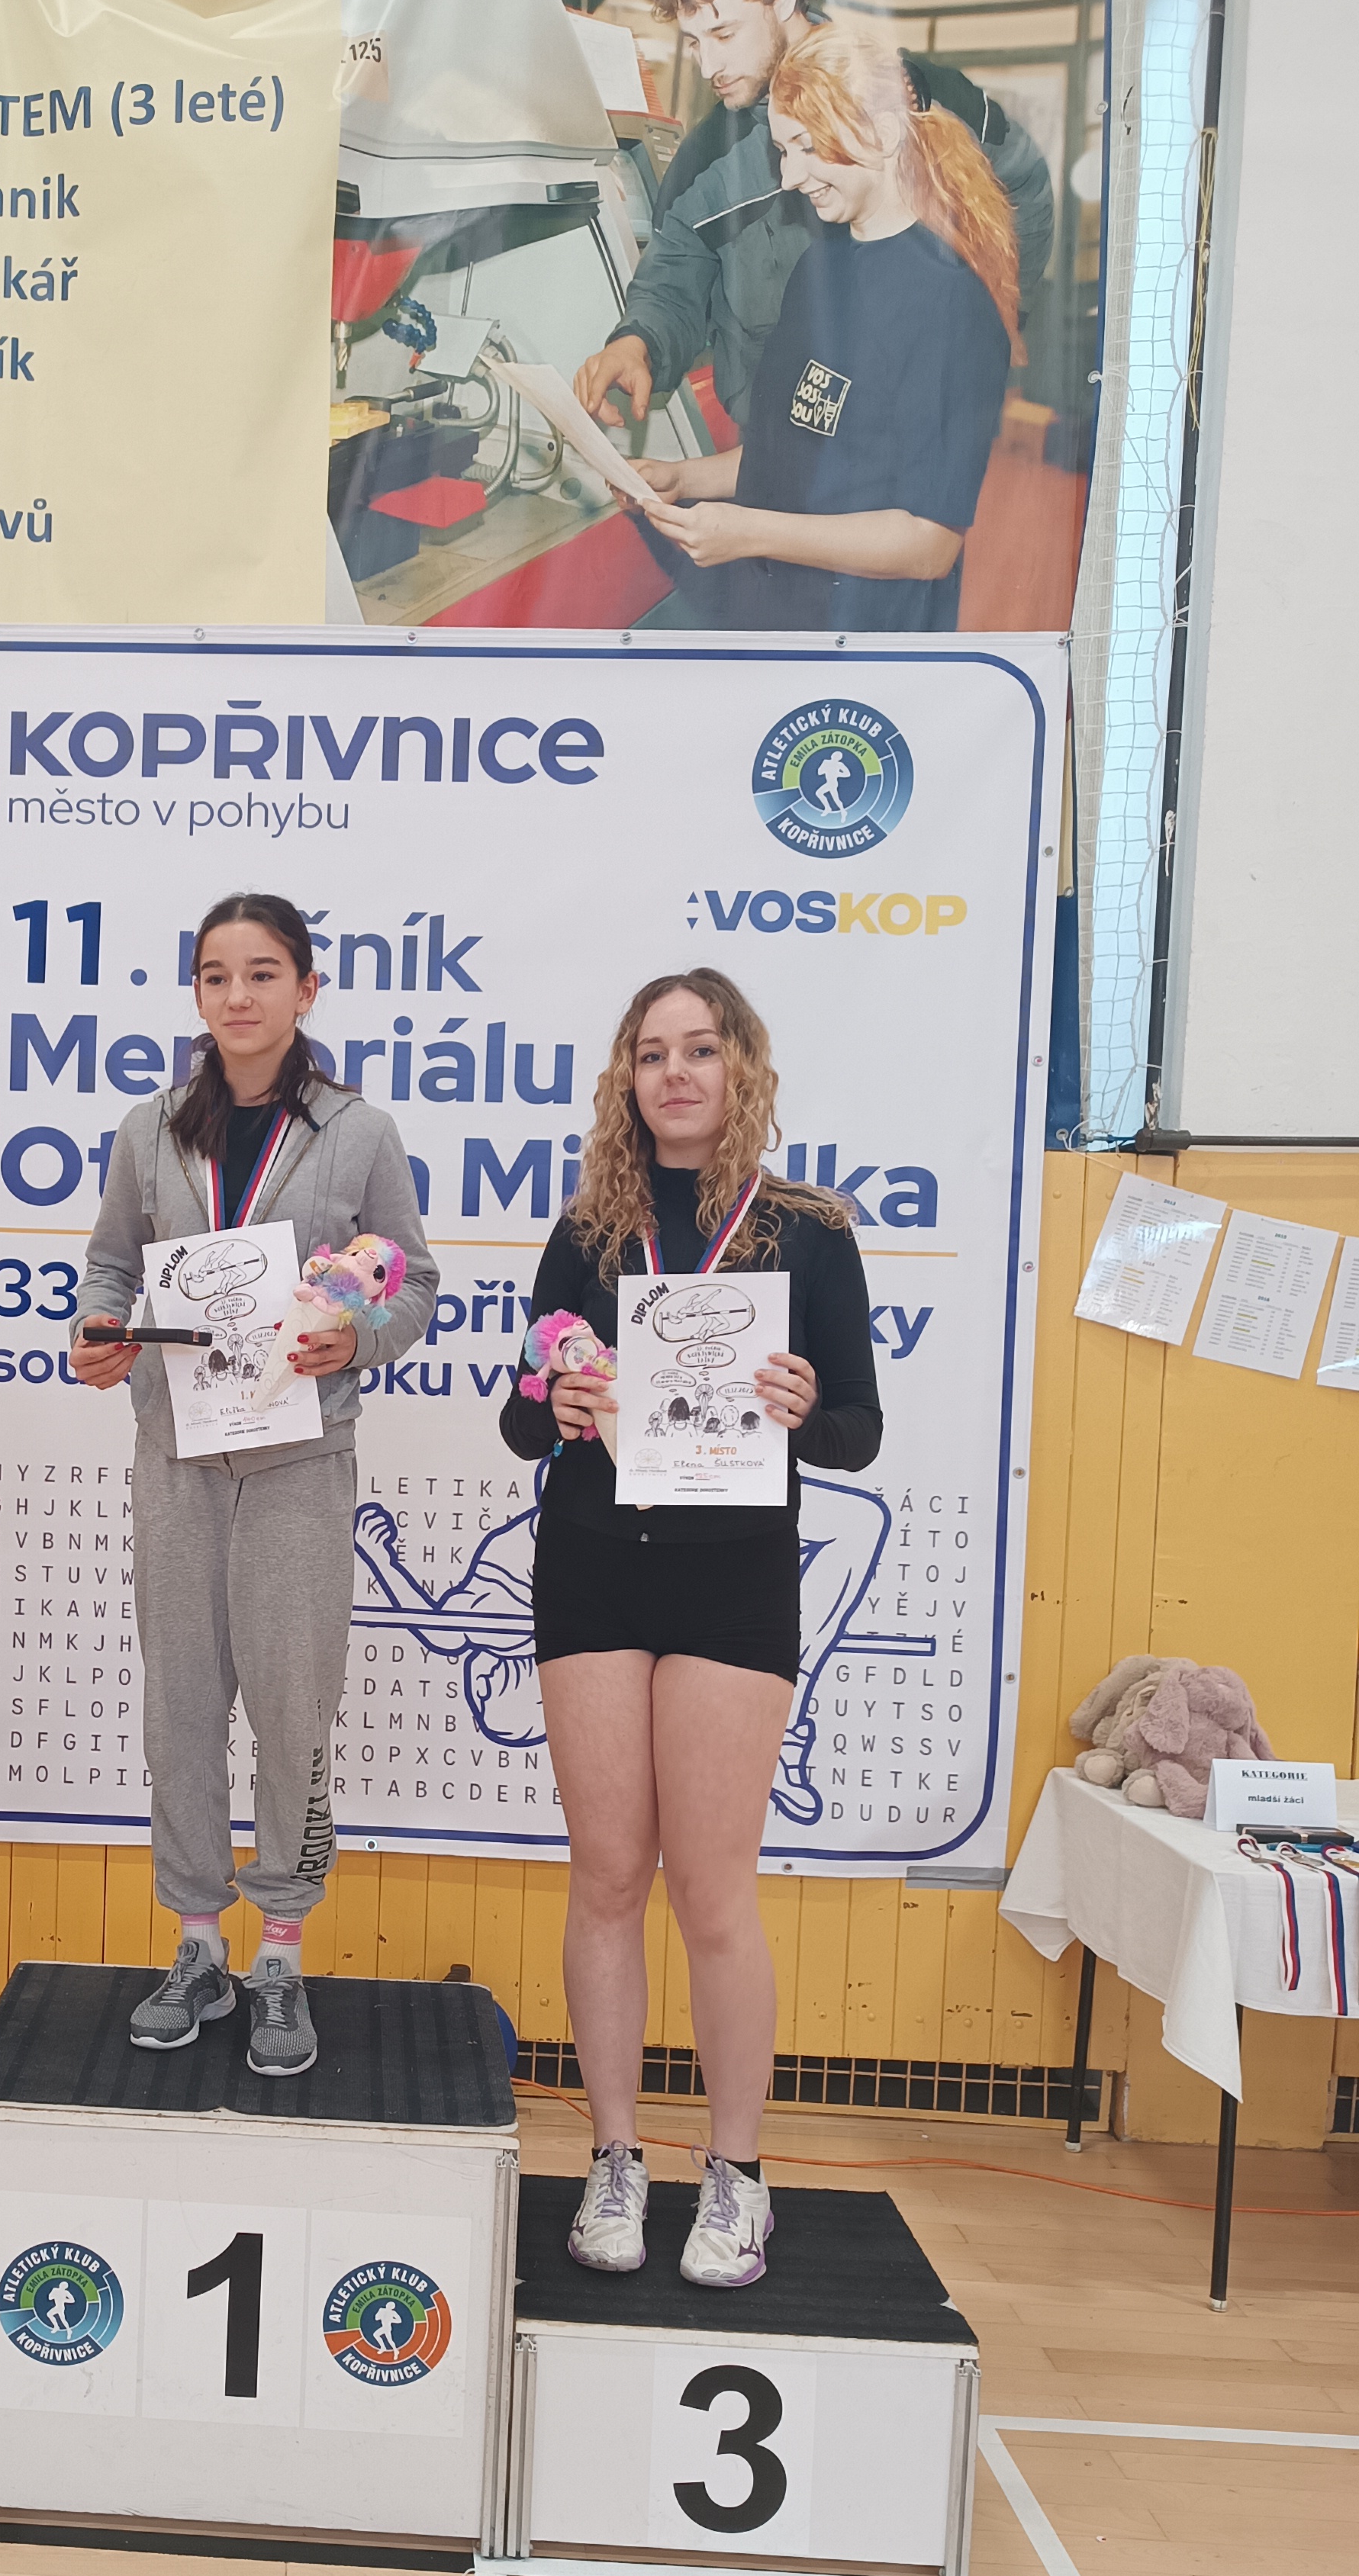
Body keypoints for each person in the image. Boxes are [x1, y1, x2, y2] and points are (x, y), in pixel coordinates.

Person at [499, 970, 880, 2285]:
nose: (675, 1073)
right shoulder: (587, 1234)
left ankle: (736, 2172)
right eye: (652, 1053)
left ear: (741, 1068)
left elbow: (856, 1432)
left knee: (713, 1891)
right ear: (627, 1078)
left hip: (731, 1582)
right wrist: (556, 1404)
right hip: (593, 1571)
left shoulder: (809, 1233)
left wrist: (803, 1404)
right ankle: (615, 2158)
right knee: (608, 1878)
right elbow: (520, 1420)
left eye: (700, 1050)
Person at [74, 892, 437, 2077]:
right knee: (180, 1707)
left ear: (306, 989)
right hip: (177, 1459)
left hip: (297, 1467)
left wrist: (358, 1337)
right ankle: (197, 1945)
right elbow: (112, 1268)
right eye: (217, 975)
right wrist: (99, 1331)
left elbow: (413, 1283)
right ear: (197, 992)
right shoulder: (148, 1129)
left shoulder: (358, 1131)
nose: (239, 995)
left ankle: (280, 1951)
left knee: (291, 1712)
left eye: (264, 972)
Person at [573, 0, 1050, 441]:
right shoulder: (707, 161)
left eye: (724, 33)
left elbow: (1024, 189)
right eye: (693, 42)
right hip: (780, 447)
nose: (708, 66)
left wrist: (994, 326)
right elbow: (673, 276)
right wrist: (636, 342)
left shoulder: (916, 94)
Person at [628, 22, 1019, 632]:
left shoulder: (950, 306)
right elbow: (790, 450)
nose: (790, 176)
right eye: (784, 151)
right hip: (776, 612)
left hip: (862, 639)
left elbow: (929, 543)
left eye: (808, 147)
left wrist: (750, 532)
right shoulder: (820, 265)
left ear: (883, 134)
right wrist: (681, 478)